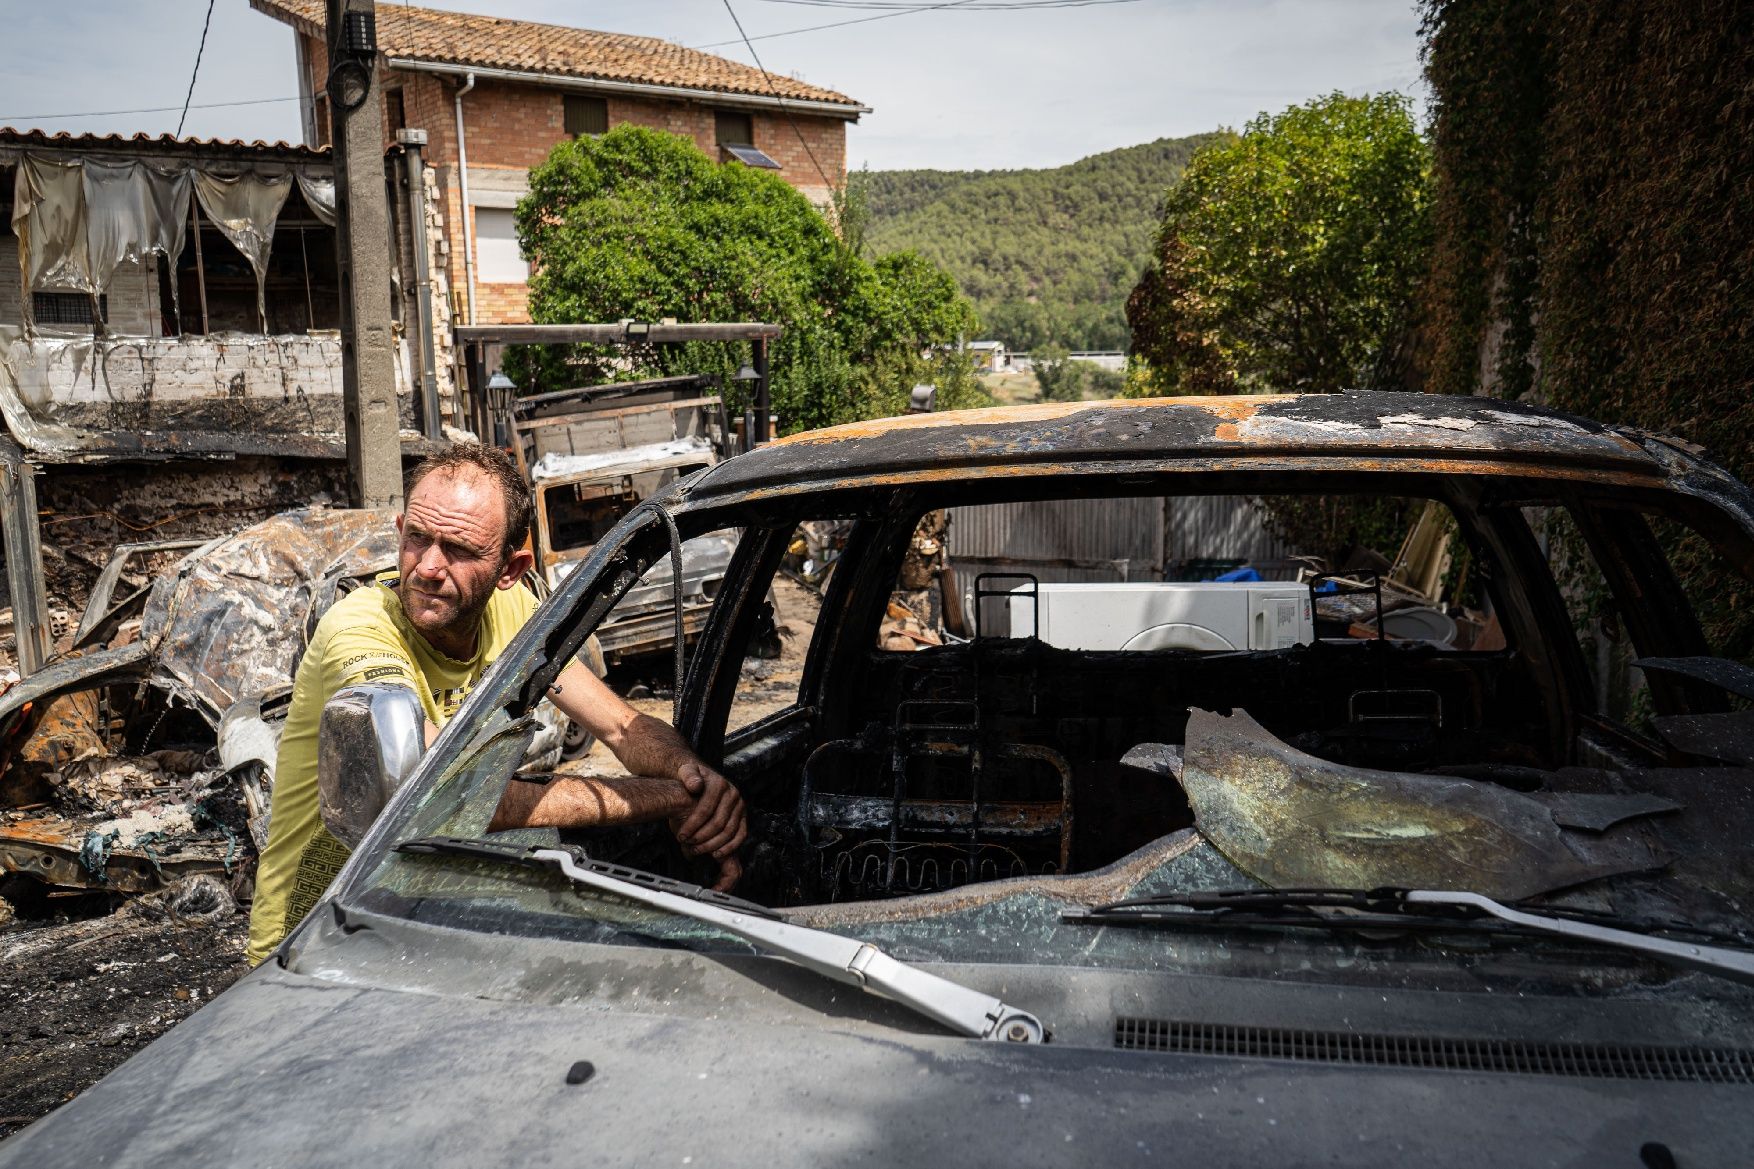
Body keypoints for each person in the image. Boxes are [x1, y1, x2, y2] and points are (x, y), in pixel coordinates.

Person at [246, 444, 746, 965]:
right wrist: (665, 798)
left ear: (511, 568)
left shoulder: (512, 611)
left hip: (407, 917)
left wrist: (695, 783)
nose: (429, 568)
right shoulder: (358, 630)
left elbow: (619, 726)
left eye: (459, 549)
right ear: (399, 531)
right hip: (309, 939)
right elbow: (441, 793)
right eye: (417, 538)